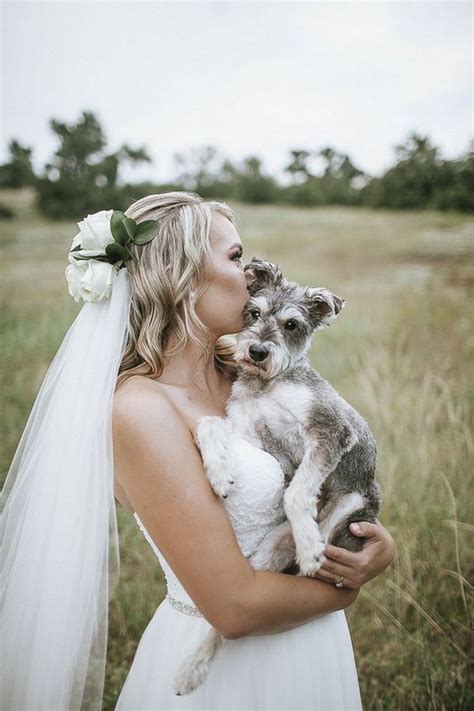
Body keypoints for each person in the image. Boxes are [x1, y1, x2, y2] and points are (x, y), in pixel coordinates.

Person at [0, 191, 395, 711]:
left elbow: (330, 461)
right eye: (234, 257)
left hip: (311, 646)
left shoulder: (244, 375)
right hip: (226, 674)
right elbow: (234, 607)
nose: (252, 274)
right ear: (180, 274)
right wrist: (352, 586)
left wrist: (374, 543)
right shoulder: (139, 410)